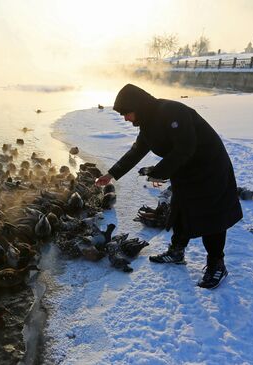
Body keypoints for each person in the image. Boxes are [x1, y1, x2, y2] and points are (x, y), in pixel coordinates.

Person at [96, 84, 242, 289]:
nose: (126, 118)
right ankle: (176, 252)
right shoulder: (147, 122)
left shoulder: (173, 112)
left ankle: (216, 264)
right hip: (185, 168)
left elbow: (186, 147)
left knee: (212, 216)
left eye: (126, 113)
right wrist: (112, 174)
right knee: (180, 208)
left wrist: (159, 172)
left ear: (138, 106)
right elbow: (137, 150)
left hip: (209, 166)